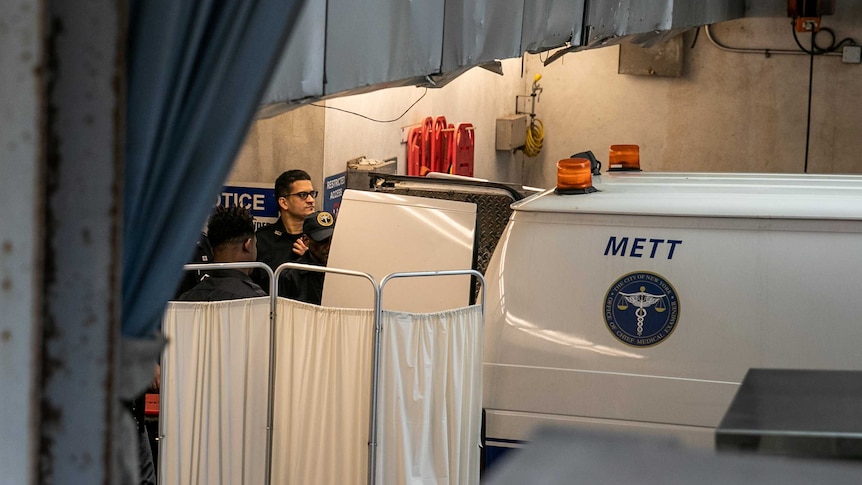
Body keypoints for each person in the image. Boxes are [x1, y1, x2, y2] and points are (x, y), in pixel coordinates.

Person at [178, 205, 267, 301]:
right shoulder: (258, 301)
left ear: (212, 250)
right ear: (248, 245)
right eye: (255, 244)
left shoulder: (187, 298)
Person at [255, 169, 317, 275]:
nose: (311, 200)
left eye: (312, 194)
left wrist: (312, 258)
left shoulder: (319, 240)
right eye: (303, 195)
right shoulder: (262, 240)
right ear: (284, 203)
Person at [281, 210, 335, 304]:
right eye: (323, 241)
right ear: (306, 240)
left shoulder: (345, 271)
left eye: (332, 240)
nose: (329, 247)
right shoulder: (290, 276)